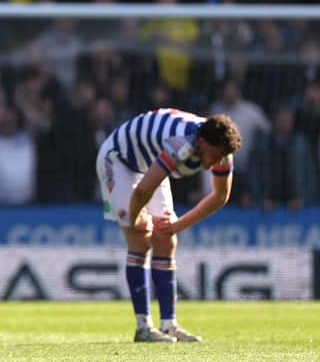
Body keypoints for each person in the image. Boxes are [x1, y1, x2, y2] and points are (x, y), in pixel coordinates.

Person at [96, 108, 241, 342]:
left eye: (220, 157)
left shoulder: (222, 149)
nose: (216, 162)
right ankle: (143, 327)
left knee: (166, 238)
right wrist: (133, 218)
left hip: (148, 164)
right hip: (118, 160)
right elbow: (143, 189)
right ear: (202, 142)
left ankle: (168, 325)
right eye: (213, 156)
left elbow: (220, 196)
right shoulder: (180, 145)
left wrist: (178, 226)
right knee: (141, 237)